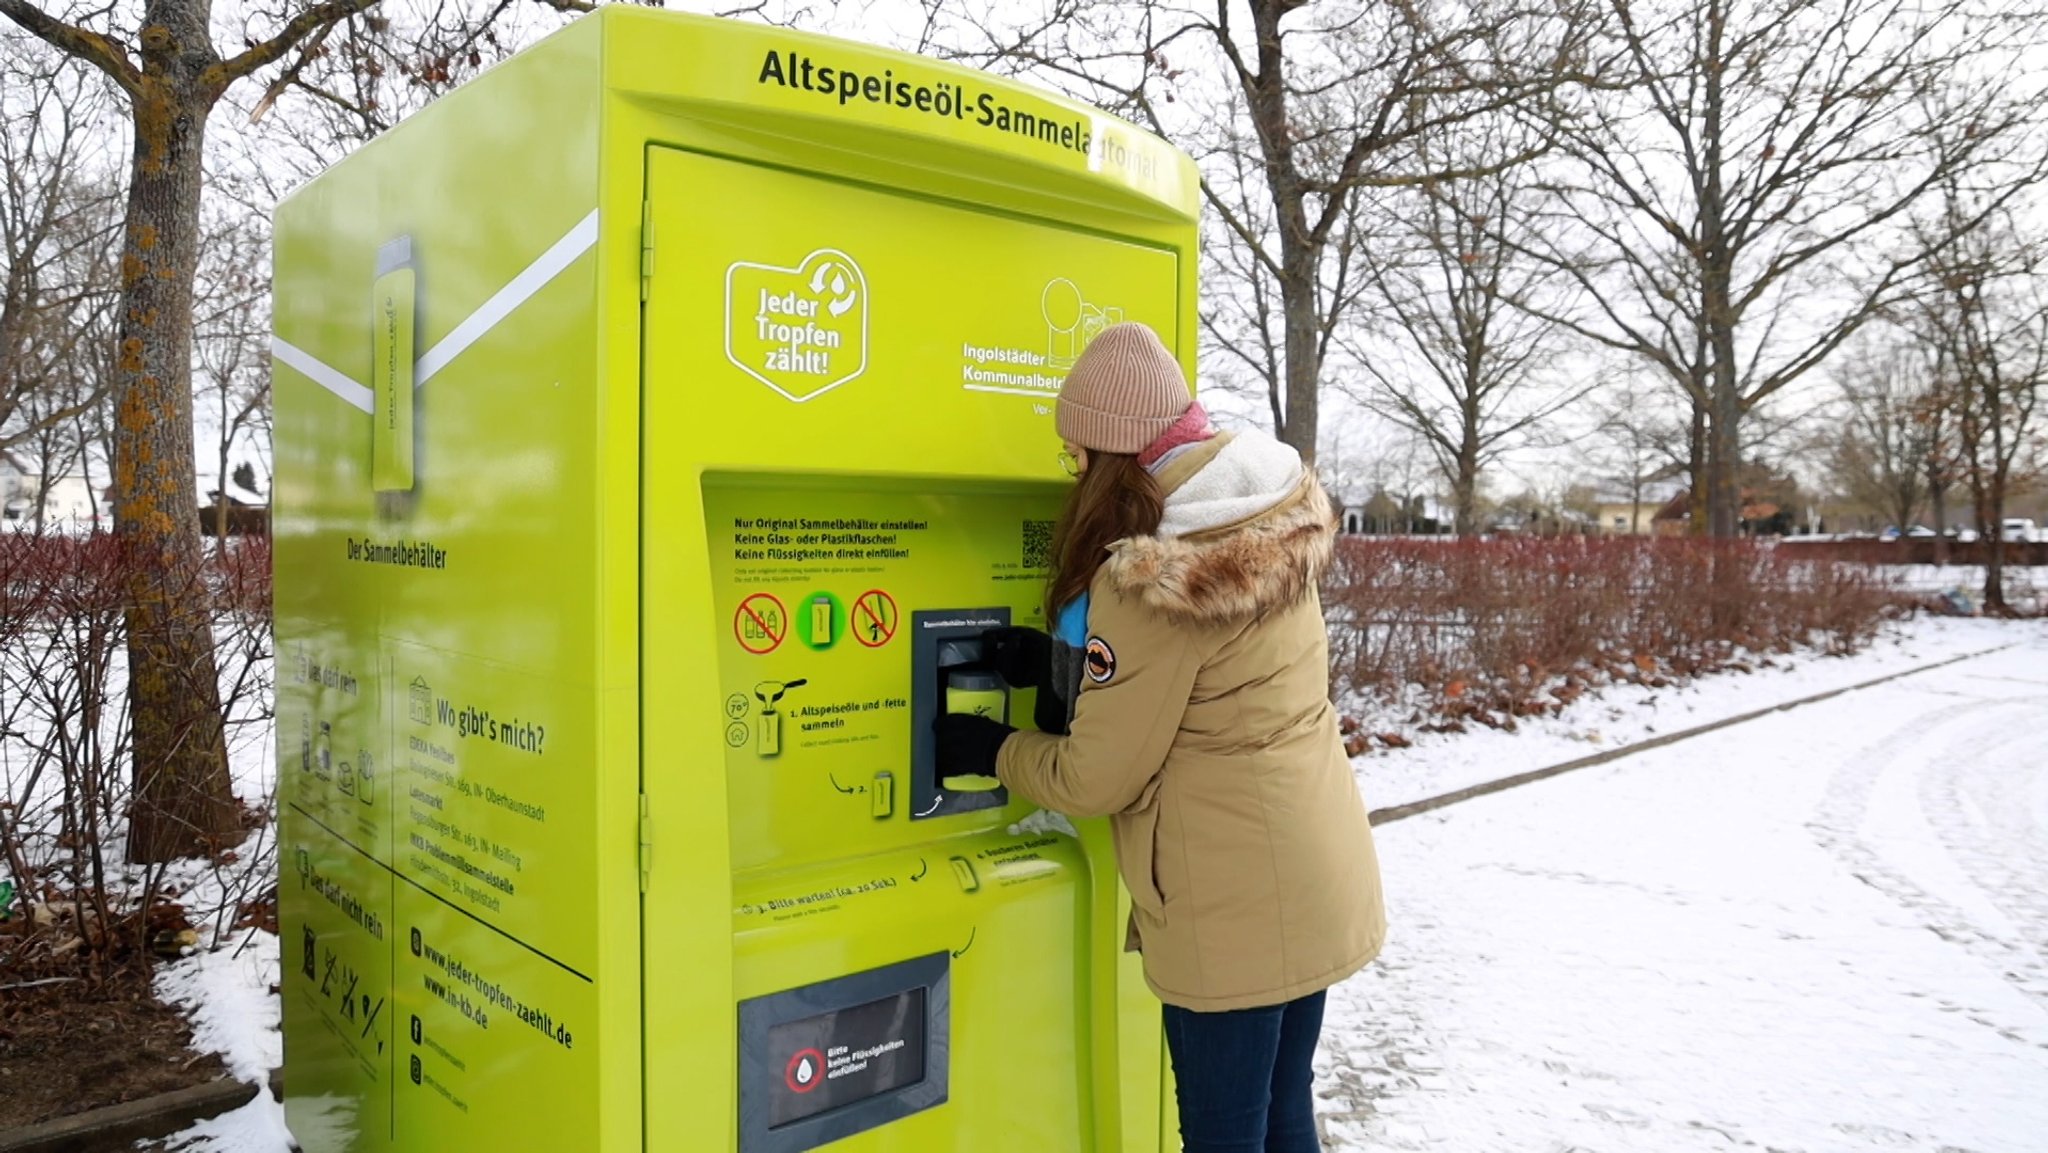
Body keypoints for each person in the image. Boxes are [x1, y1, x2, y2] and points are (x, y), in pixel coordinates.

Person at [934, 322, 1387, 1153]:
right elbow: (1211, 689)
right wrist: (1055, 663)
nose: (1070, 473)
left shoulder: (1152, 575)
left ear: (1113, 457)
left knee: (1222, 1134)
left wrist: (987, 751)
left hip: (1233, 903)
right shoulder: (1265, 511)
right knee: (1285, 1112)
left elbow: (1093, 778)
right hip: (1315, 864)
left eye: (1077, 456)